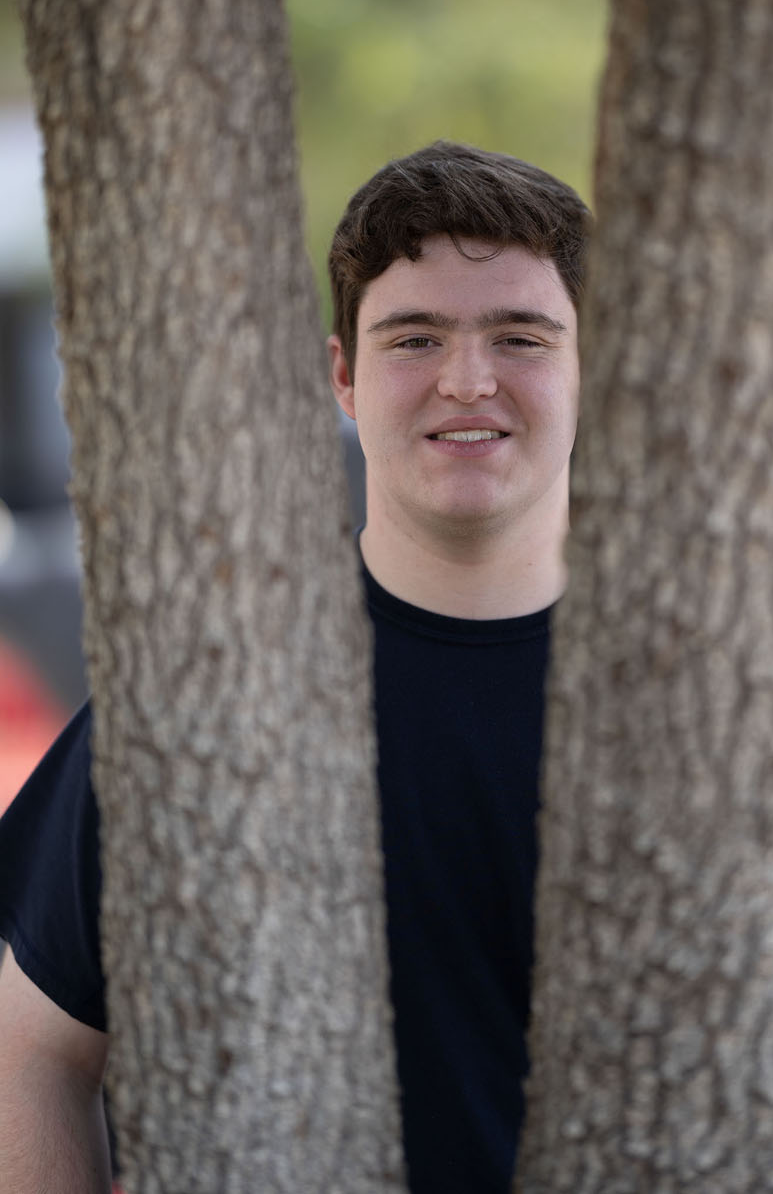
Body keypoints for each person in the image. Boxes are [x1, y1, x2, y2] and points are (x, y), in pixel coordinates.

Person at [0, 140, 591, 1194]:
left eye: (520, 335)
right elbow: (34, 1052)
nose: (467, 379)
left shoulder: (689, 702)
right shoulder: (213, 694)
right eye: (414, 337)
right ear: (343, 380)